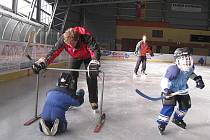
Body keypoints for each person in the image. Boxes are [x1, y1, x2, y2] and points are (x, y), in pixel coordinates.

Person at [32, 26, 101, 110]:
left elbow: (94, 49)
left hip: (88, 56)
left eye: (72, 44)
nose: (70, 47)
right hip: (75, 56)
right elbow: (54, 51)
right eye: (68, 45)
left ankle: (93, 101)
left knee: (91, 76)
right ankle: (71, 98)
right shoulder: (63, 39)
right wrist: (44, 61)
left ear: (77, 39)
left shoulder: (85, 36)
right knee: (71, 76)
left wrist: (94, 61)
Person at [157, 47, 205, 135]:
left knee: (185, 106)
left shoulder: (190, 67)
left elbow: (190, 74)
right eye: (184, 58)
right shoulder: (173, 69)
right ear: (177, 60)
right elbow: (164, 80)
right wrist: (165, 89)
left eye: (188, 57)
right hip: (171, 91)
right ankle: (162, 123)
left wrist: (197, 79)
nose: (187, 60)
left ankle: (177, 119)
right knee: (169, 107)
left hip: (183, 89)